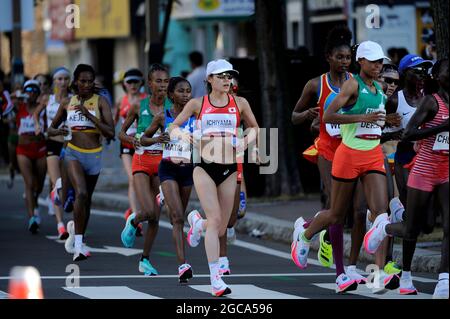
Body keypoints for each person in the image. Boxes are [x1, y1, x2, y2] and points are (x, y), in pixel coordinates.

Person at [291, 41, 394, 290]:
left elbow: (374, 121)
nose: (379, 66)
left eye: (381, 62)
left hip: (371, 154)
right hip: (347, 155)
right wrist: (363, 117)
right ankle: (304, 235)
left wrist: (385, 121)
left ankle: (361, 259)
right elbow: (328, 116)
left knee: (380, 212)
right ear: (362, 62)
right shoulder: (352, 84)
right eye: (374, 62)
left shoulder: (379, 88)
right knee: (336, 214)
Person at [169, 59, 259, 297]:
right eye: (221, 76)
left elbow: (255, 129)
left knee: (220, 227)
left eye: (229, 76)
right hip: (204, 167)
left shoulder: (240, 103)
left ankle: (199, 224)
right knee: (216, 218)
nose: (227, 80)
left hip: (229, 168)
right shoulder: (198, 104)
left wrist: (245, 141)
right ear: (209, 79)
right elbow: (173, 127)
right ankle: (215, 279)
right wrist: (182, 134)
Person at [292, 26, 364, 292]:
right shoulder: (315, 84)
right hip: (327, 150)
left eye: (348, 57)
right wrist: (310, 114)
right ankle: (340, 274)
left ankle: (308, 227)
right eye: (340, 57)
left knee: (352, 211)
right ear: (329, 57)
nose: (345, 62)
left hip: (353, 148)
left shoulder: (355, 82)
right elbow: (294, 117)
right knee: (336, 207)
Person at [370, 58, 449, 298]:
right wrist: (441, 127)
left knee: (445, 225)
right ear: (438, 76)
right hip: (420, 167)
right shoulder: (430, 102)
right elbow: (409, 134)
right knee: (412, 227)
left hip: (446, 170)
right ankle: (384, 228)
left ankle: (444, 281)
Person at [48, 64, 115, 261]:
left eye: (89, 81)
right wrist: (59, 131)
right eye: (82, 81)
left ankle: (74, 234)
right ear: (75, 82)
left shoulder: (100, 101)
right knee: (82, 193)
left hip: (94, 156)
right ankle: (78, 246)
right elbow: (51, 129)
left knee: (86, 201)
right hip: (73, 153)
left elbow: (110, 132)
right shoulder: (67, 102)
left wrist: (89, 116)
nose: (86, 84)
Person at [141, 76, 195, 282]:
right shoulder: (162, 117)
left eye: (188, 91)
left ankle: (163, 195)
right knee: (178, 217)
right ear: (171, 95)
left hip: (188, 170)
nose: (185, 95)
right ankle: (182, 265)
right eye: (181, 91)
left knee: (179, 216)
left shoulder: (197, 116)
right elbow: (144, 139)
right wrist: (157, 139)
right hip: (168, 169)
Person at [119, 63, 171, 275]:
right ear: (149, 84)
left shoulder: (173, 106)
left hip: (163, 164)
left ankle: (145, 260)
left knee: (156, 217)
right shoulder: (138, 107)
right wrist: (133, 141)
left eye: (166, 81)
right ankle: (133, 219)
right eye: (158, 81)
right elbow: (121, 133)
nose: (162, 85)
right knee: (148, 211)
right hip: (141, 162)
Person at [33, 67, 73, 240]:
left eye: (65, 79)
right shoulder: (47, 99)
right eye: (59, 79)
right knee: (57, 183)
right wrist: (37, 125)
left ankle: (62, 200)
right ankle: (61, 226)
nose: (62, 82)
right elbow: (36, 114)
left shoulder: (73, 100)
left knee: (66, 186)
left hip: (70, 145)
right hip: (52, 143)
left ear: (69, 81)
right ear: (54, 82)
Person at [114, 68, 147, 229]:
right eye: (129, 82)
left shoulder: (146, 99)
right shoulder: (121, 101)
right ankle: (135, 216)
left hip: (144, 145)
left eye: (136, 81)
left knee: (144, 181)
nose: (133, 85)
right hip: (126, 145)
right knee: (133, 178)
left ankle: (132, 210)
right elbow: (114, 121)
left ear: (141, 82)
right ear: (124, 84)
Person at [15, 80, 47, 233]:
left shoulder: (43, 109)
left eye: (34, 90)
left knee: (38, 185)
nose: (32, 93)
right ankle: (32, 217)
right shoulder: (19, 107)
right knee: (29, 183)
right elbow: (7, 102)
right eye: (28, 90)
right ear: (25, 92)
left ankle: (34, 202)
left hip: (40, 149)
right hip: (23, 151)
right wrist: (16, 95)